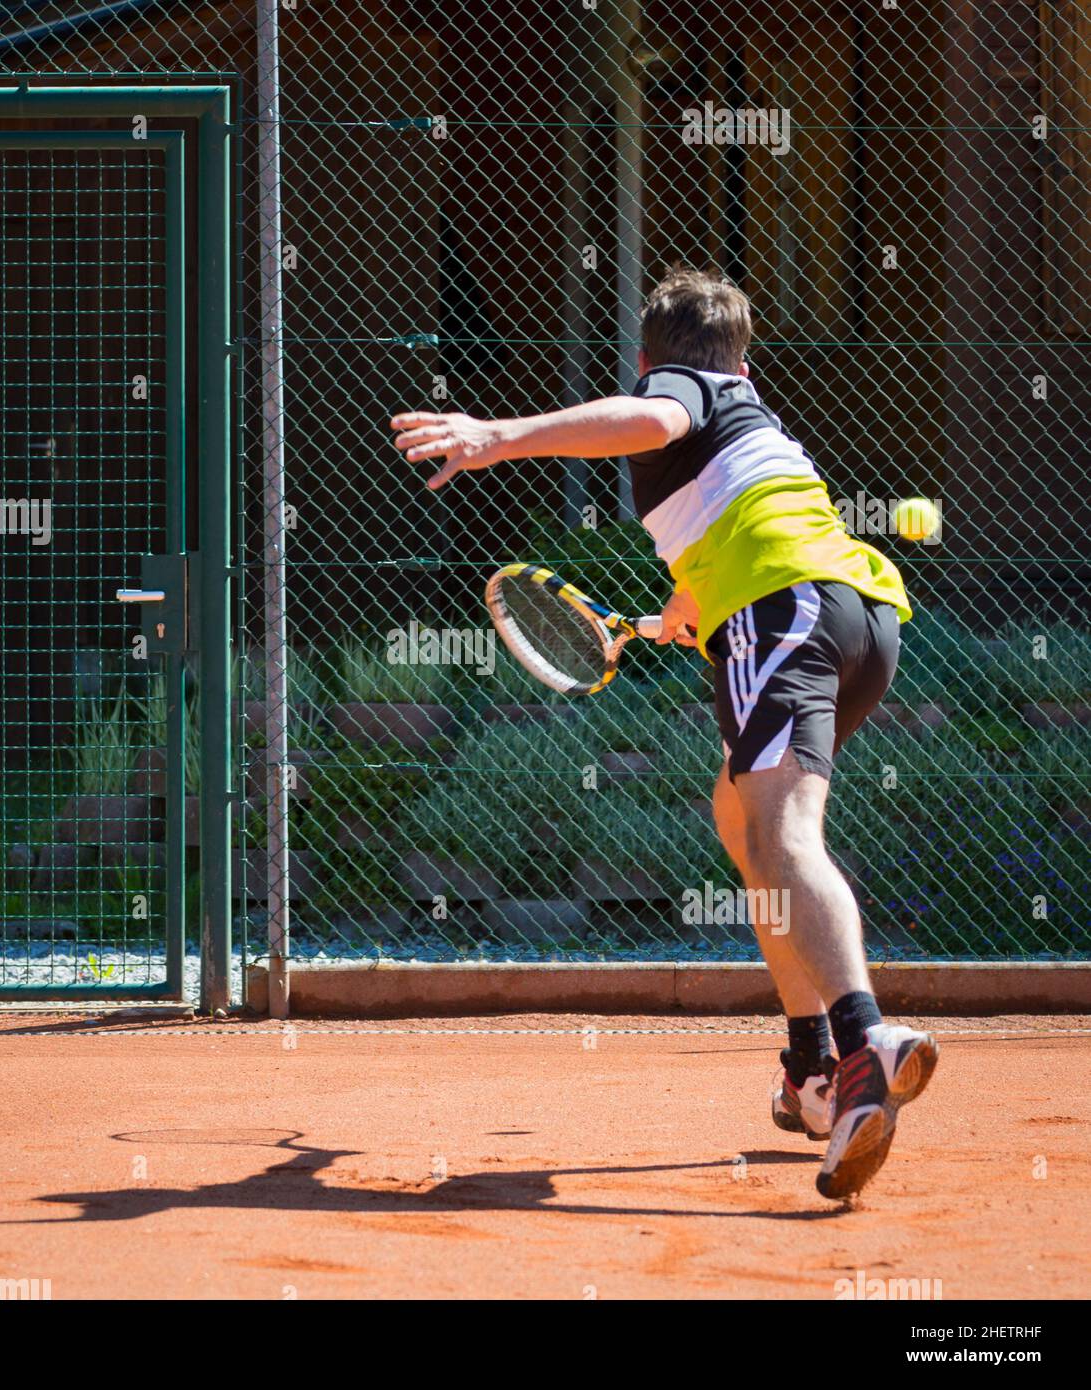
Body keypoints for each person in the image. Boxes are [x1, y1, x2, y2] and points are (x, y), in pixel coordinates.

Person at [390, 265, 938, 1200]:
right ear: (747, 356)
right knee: (742, 818)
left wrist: (496, 436)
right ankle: (812, 1069)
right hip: (856, 621)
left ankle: (864, 1040)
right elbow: (733, 516)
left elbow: (652, 423)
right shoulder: (753, 418)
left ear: (646, 357)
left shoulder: (674, 388)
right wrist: (687, 604)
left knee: (782, 835)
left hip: (786, 611)